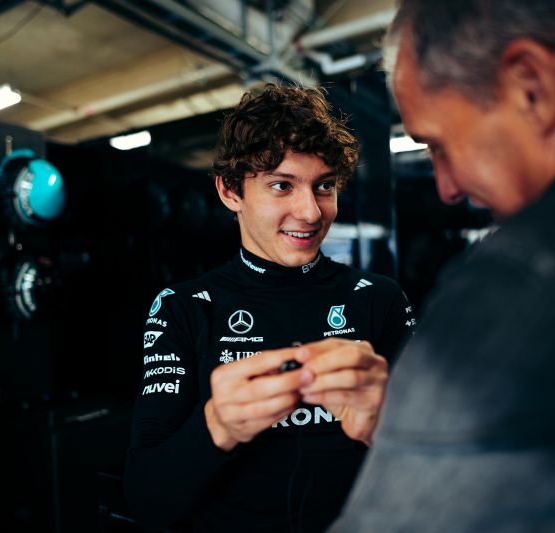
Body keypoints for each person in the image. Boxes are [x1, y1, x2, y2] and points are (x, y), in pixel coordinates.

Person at [332, 1, 555, 531]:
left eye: (438, 145)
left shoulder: (533, 282)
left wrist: (433, 426)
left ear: (532, 86)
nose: (446, 188)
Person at [124, 83, 415, 532]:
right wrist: (218, 425)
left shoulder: (379, 298)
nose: (311, 212)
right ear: (230, 192)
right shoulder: (183, 308)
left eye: (324, 186)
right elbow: (146, 500)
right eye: (282, 185)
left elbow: (449, 474)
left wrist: (385, 428)